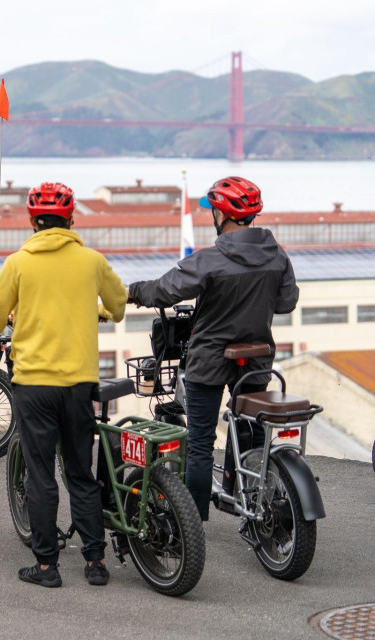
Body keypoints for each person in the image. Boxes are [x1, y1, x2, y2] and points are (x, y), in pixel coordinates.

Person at [0, 182, 127, 588]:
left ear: (32, 221)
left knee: (40, 474)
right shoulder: (92, 261)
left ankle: (46, 568)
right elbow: (118, 306)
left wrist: (9, 318)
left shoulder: (18, 263)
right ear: (71, 219)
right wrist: (89, 308)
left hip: (33, 386)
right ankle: (95, 562)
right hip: (78, 385)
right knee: (80, 471)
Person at [127, 176, 298, 521]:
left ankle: (191, 526)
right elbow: (286, 302)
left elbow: (164, 290)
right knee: (250, 428)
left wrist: (132, 291)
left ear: (222, 215)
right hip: (257, 357)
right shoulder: (278, 256)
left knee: (201, 441)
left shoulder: (211, 259)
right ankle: (248, 499)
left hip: (209, 357)